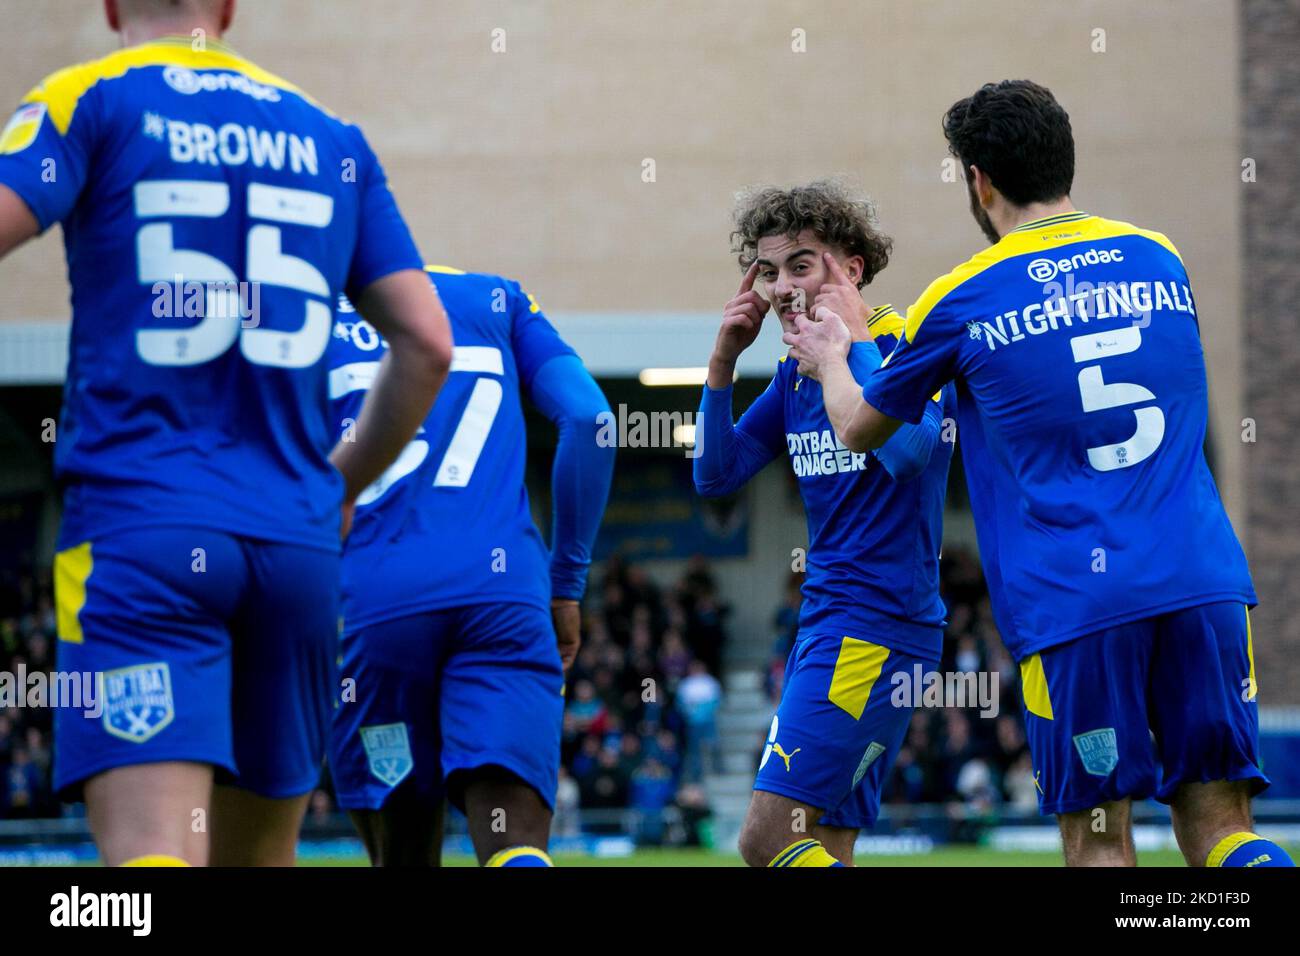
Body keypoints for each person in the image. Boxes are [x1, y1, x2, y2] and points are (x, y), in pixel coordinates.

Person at [786, 79, 1292, 868]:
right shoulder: (1160, 255)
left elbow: (860, 430)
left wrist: (833, 357)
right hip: (1204, 580)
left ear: (979, 181)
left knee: (1098, 842)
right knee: (1226, 829)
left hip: (1075, 605)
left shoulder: (958, 297)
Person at [0, 0, 452, 866]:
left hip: (142, 532)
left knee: (150, 861)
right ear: (229, 6)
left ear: (109, 3)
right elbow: (428, 342)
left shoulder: (87, 98)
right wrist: (343, 482)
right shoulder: (329, 135)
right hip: (297, 547)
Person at [694, 181, 954, 867]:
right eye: (769, 269)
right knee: (823, 843)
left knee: (767, 838)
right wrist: (724, 360)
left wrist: (849, 351)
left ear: (853, 269)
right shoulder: (793, 374)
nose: (782, 286)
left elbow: (905, 455)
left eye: (802, 264)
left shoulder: (908, 346)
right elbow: (715, 476)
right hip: (832, 627)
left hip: (873, 630)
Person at [327, 265, 615, 866]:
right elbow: (592, 420)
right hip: (504, 595)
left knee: (402, 855)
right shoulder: (497, 298)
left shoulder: (301, 306)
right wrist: (566, 586)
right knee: (515, 848)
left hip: (372, 599)